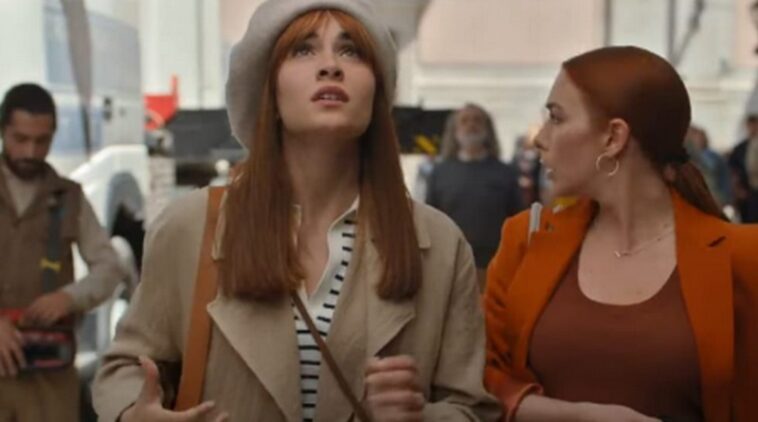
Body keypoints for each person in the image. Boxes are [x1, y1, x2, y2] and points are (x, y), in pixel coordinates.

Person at [93, 1, 501, 421]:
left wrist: (419, 417)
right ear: (269, 89)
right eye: (303, 49)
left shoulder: (439, 245)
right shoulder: (191, 226)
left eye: (351, 51)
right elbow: (123, 369)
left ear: (376, 91)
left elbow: (471, 407)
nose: (331, 66)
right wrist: (135, 413)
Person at [484, 46, 758, 422]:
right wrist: (576, 416)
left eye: (556, 117)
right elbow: (479, 378)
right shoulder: (525, 239)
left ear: (613, 137)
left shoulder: (743, 257)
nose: (540, 138)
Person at [0, 83, 126, 421]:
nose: (30, 151)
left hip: (49, 380)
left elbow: (109, 267)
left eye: (41, 141)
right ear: (3, 132)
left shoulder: (70, 198)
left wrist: (69, 298)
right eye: (20, 139)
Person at [426, 104, 523, 286]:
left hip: (495, 265)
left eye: (477, 120)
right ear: (455, 130)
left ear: (487, 129)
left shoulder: (505, 172)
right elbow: (429, 220)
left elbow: (518, 218)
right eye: (464, 121)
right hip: (450, 265)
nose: (471, 125)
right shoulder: (440, 173)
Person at [685, 125, 731, 209]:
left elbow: (724, 177)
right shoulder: (689, 157)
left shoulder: (713, 157)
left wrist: (725, 197)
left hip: (714, 195)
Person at [727, 114, 758, 222]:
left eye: (755, 125)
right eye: (751, 125)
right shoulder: (740, 149)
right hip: (747, 192)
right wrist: (737, 189)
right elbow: (732, 170)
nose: (753, 128)